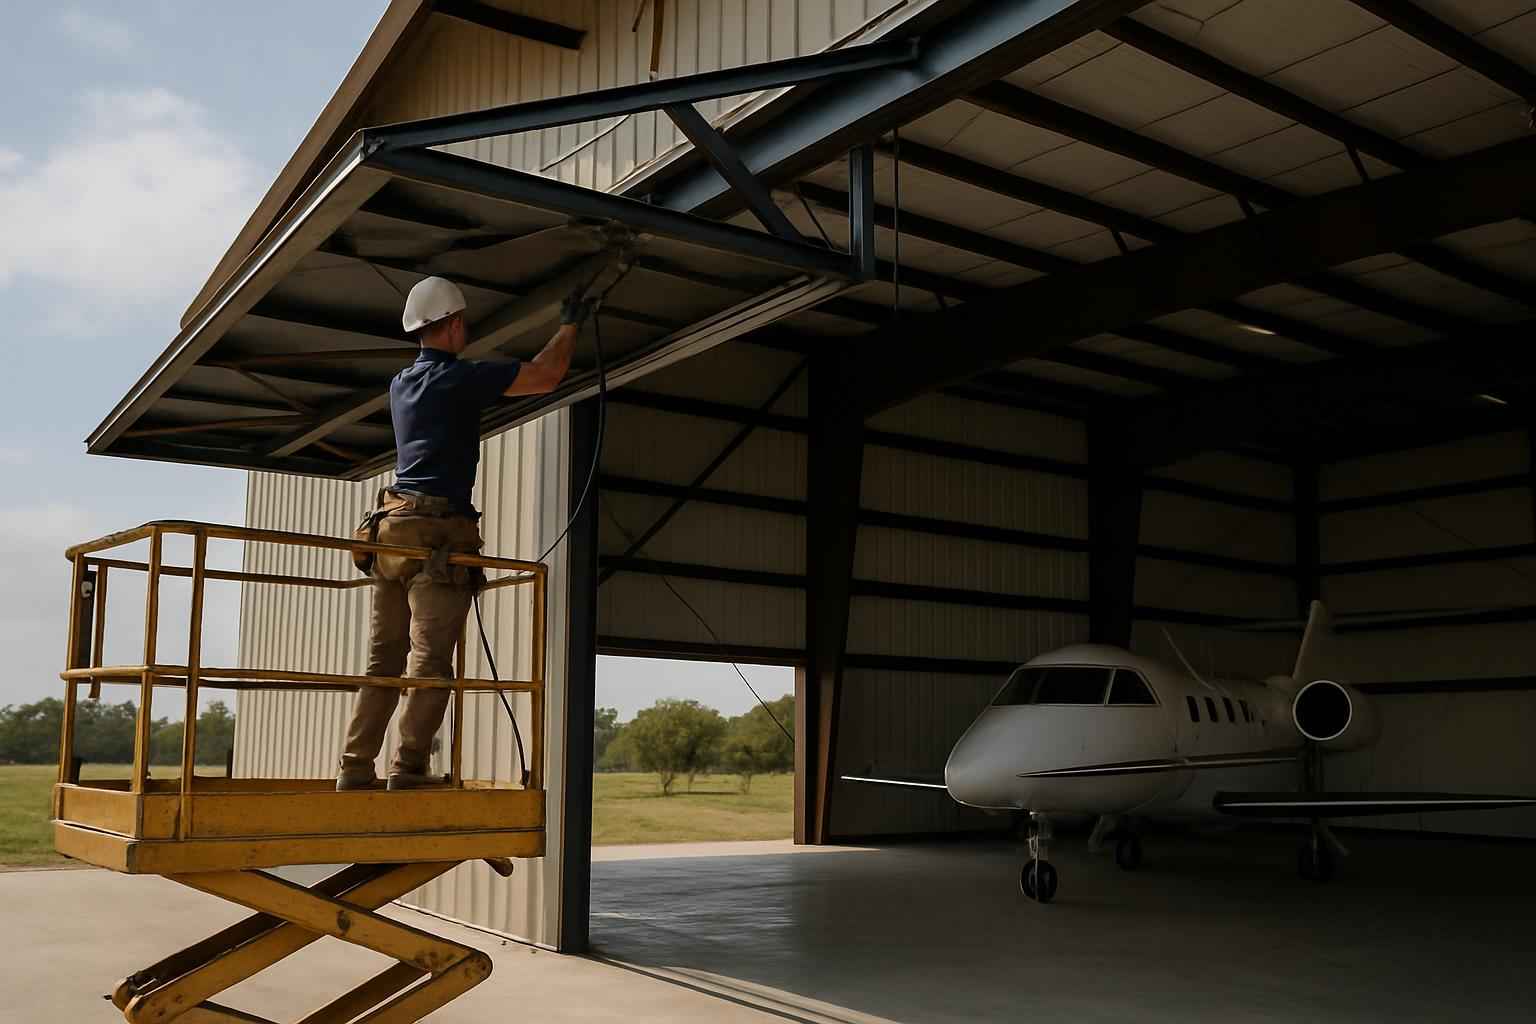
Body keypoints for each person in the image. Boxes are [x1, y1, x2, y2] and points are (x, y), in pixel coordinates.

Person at [337, 276, 588, 790]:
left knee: (384, 658)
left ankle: (355, 767)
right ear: (452, 325)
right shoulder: (459, 378)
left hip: (390, 533)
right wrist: (570, 323)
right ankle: (408, 768)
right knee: (429, 659)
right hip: (435, 534)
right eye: (464, 323)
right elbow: (546, 375)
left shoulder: (401, 384)